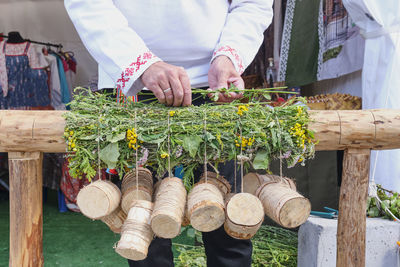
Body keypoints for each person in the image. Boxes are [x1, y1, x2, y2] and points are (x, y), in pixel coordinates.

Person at [65, 1, 273, 266]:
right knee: (143, 228)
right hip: (133, 83)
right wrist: (142, 65)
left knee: (229, 225)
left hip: (213, 84)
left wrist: (229, 55)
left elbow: (252, 3)